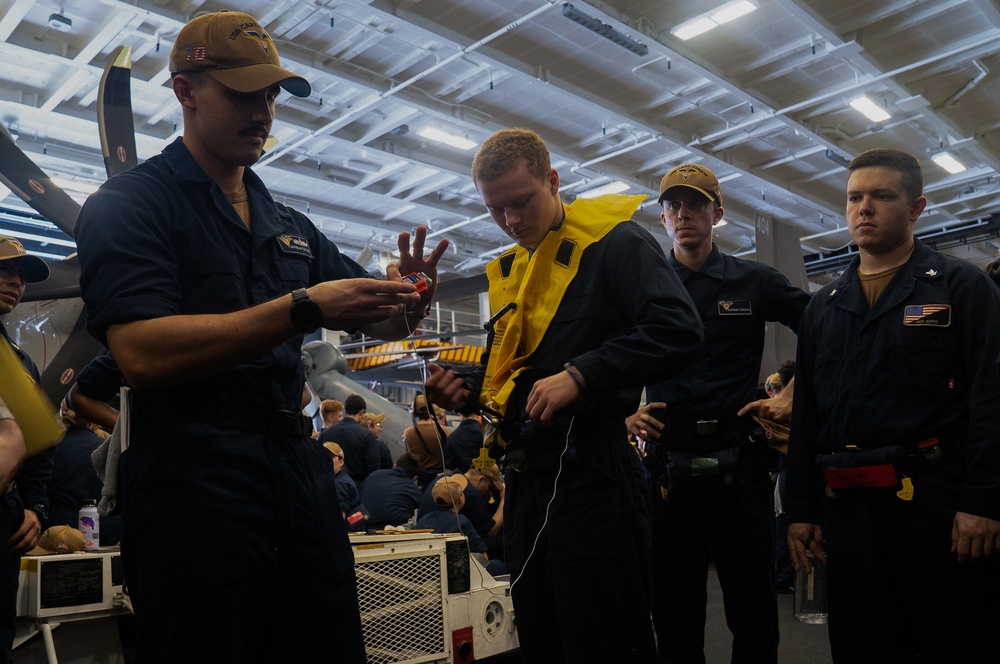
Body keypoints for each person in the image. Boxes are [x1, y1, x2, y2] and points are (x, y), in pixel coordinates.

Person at [72, 10, 447, 663]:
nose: (264, 110)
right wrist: (300, 308)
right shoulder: (132, 205)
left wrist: (413, 300)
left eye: (271, 94)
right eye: (243, 93)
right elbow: (141, 352)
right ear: (186, 91)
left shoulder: (289, 222)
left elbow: (380, 319)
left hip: (295, 471)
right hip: (194, 476)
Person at [424, 128, 703, 663]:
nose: (509, 220)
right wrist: (467, 396)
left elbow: (679, 329)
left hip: (594, 478)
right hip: (527, 484)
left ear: (553, 181)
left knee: (605, 637)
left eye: (521, 201)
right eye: (495, 208)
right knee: (540, 633)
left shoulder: (615, 243)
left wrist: (584, 373)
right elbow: (516, 381)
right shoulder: (517, 270)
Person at [786, 147, 1000, 661]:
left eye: (882, 196)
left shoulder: (960, 287)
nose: (864, 208)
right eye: (855, 198)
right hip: (850, 512)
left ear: (916, 207)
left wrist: (983, 503)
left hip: (937, 509)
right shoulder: (825, 305)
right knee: (863, 644)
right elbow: (808, 415)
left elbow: (991, 398)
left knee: (952, 642)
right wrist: (800, 509)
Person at [624, 163, 811, 663]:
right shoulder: (645, 287)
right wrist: (624, 413)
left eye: (696, 205)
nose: (684, 214)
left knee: (753, 611)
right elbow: (607, 353)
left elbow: (823, 327)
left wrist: (794, 389)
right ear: (662, 219)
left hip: (742, 466)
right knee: (675, 614)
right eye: (673, 207)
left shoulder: (753, 281)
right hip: (667, 466)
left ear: (717, 214)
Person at [0, 235, 55, 663]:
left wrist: (35, 506)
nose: (15, 282)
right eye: (3, 271)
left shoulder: (19, 361)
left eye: (20, 276)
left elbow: (41, 442)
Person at [45, 400, 123, 545]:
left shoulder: (51, 450)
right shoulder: (107, 449)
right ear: (93, 421)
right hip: (106, 530)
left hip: (61, 532)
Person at [415, 475, 506, 577]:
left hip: (428, 575)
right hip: (455, 578)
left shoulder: (422, 521)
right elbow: (483, 558)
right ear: (461, 499)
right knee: (497, 565)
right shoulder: (461, 521)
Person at [319, 394, 381, 484]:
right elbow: (373, 469)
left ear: (345, 410)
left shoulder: (325, 434)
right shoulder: (366, 435)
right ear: (362, 412)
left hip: (330, 486)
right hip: (358, 487)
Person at [358, 453, 422, 530]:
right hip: (397, 528)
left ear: (394, 466)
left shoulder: (373, 476)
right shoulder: (414, 489)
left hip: (364, 525)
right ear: (414, 478)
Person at [404, 394, 447, 491]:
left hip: (420, 479)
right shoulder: (444, 431)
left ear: (415, 413)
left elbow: (409, 456)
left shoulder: (408, 432)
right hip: (440, 478)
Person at [322, 443, 368, 532]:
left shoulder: (340, 483)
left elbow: (338, 519)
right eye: (321, 456)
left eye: (330, 456)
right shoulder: (335, 480)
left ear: (341, 462)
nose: (325, 460)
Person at [444, 403, 483, 472]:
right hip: (485, 479)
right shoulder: (486, 434)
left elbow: (448, 469)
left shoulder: (452, 437)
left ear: (460, 416)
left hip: (462, 480)